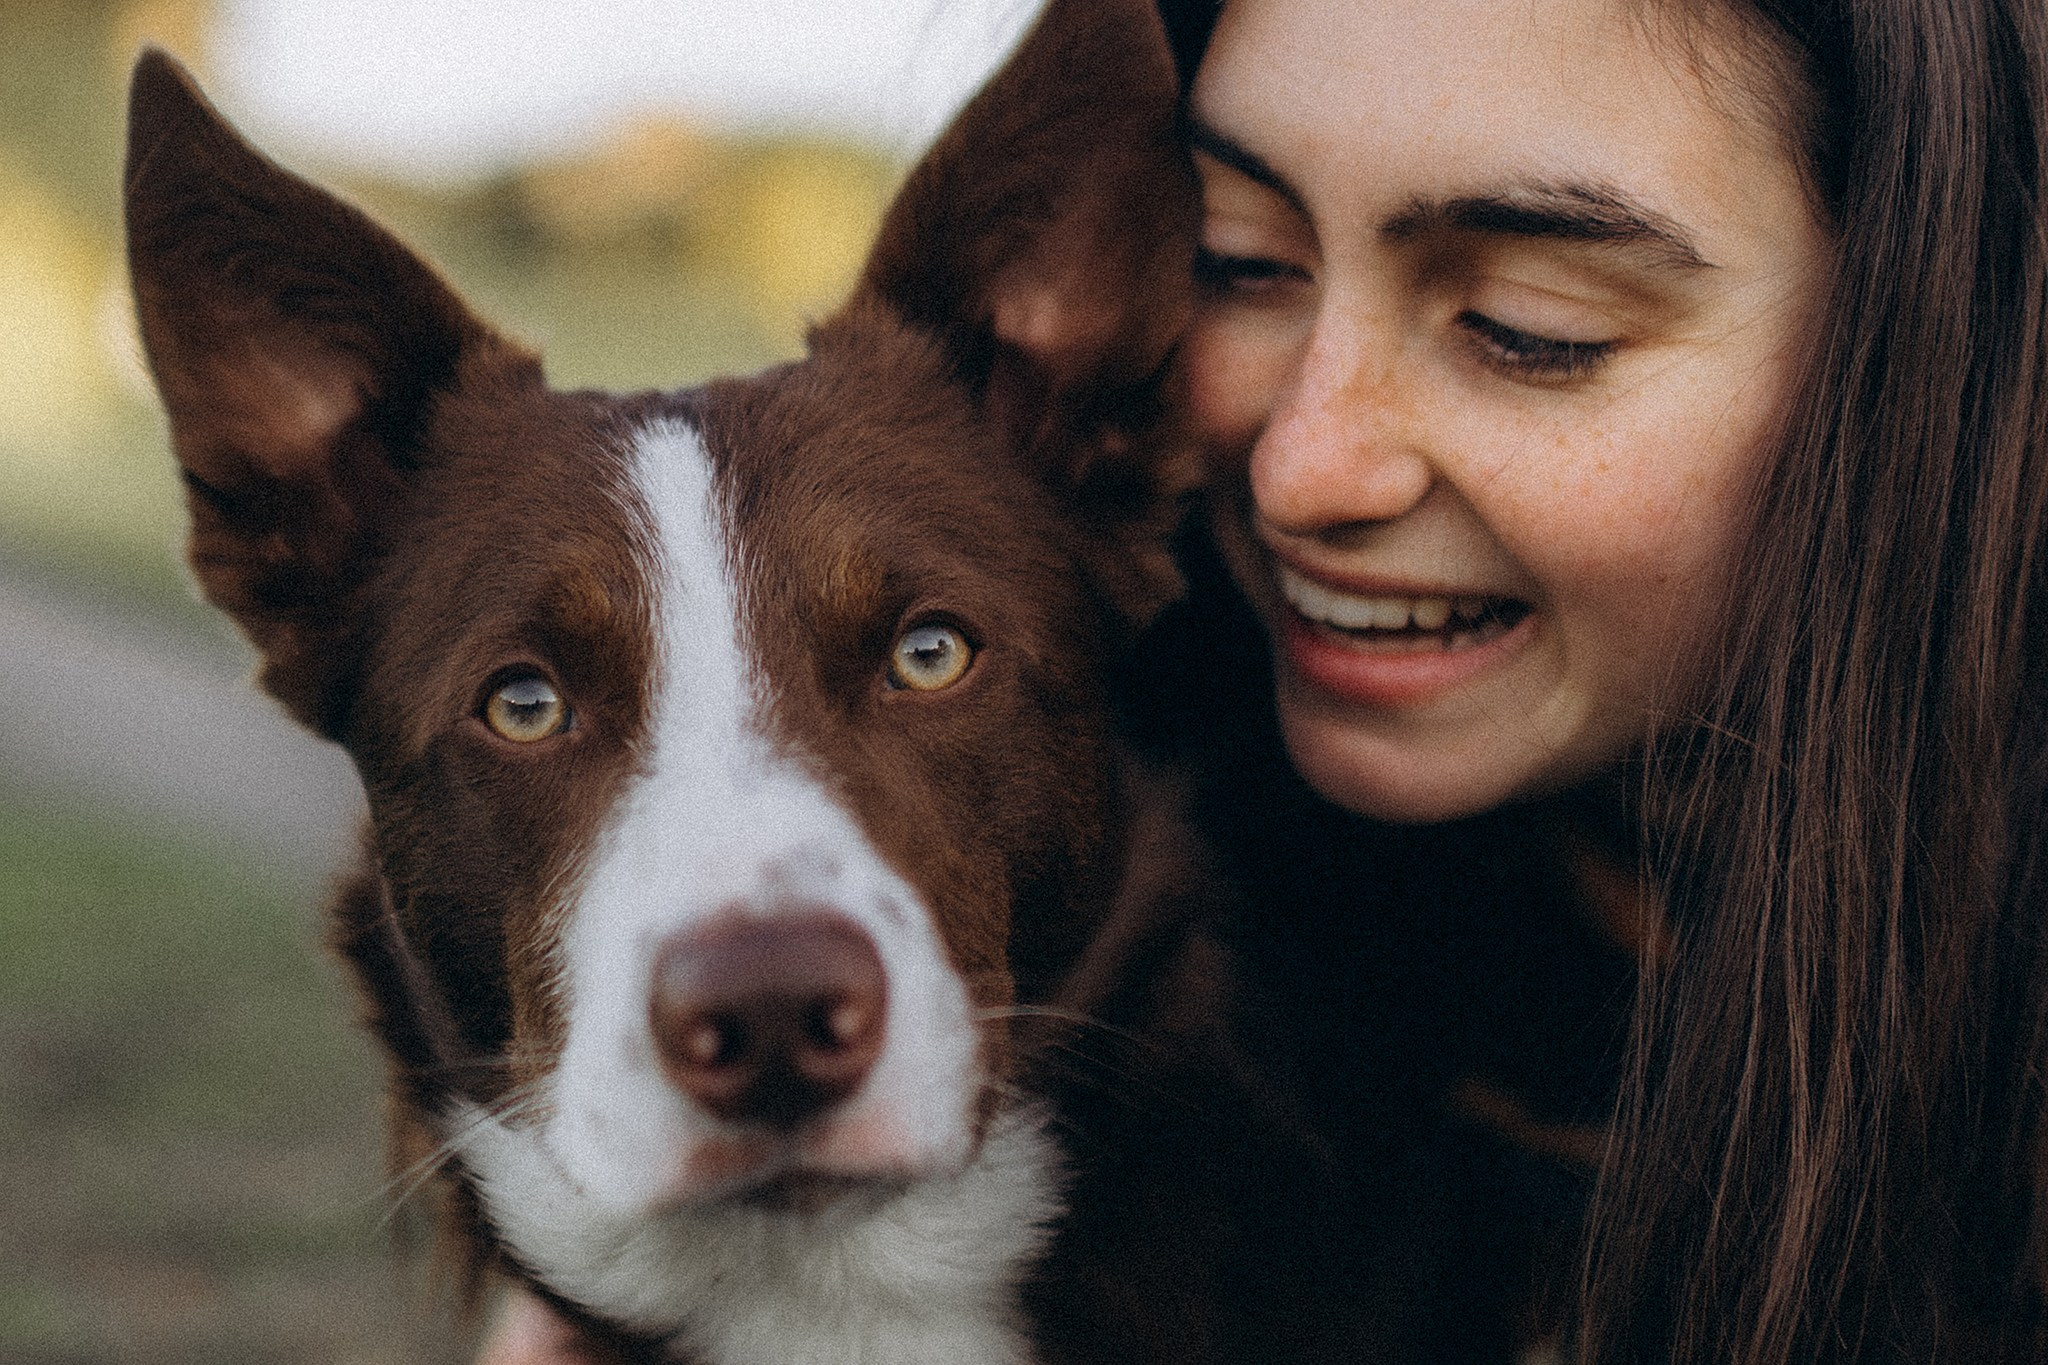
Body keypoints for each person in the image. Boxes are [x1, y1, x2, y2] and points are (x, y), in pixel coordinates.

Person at [491, 0, 2048, 1358]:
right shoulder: (1135, 846)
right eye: (1240, 264)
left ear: (1943, 346)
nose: (1302, 466)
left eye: (1531, 327)